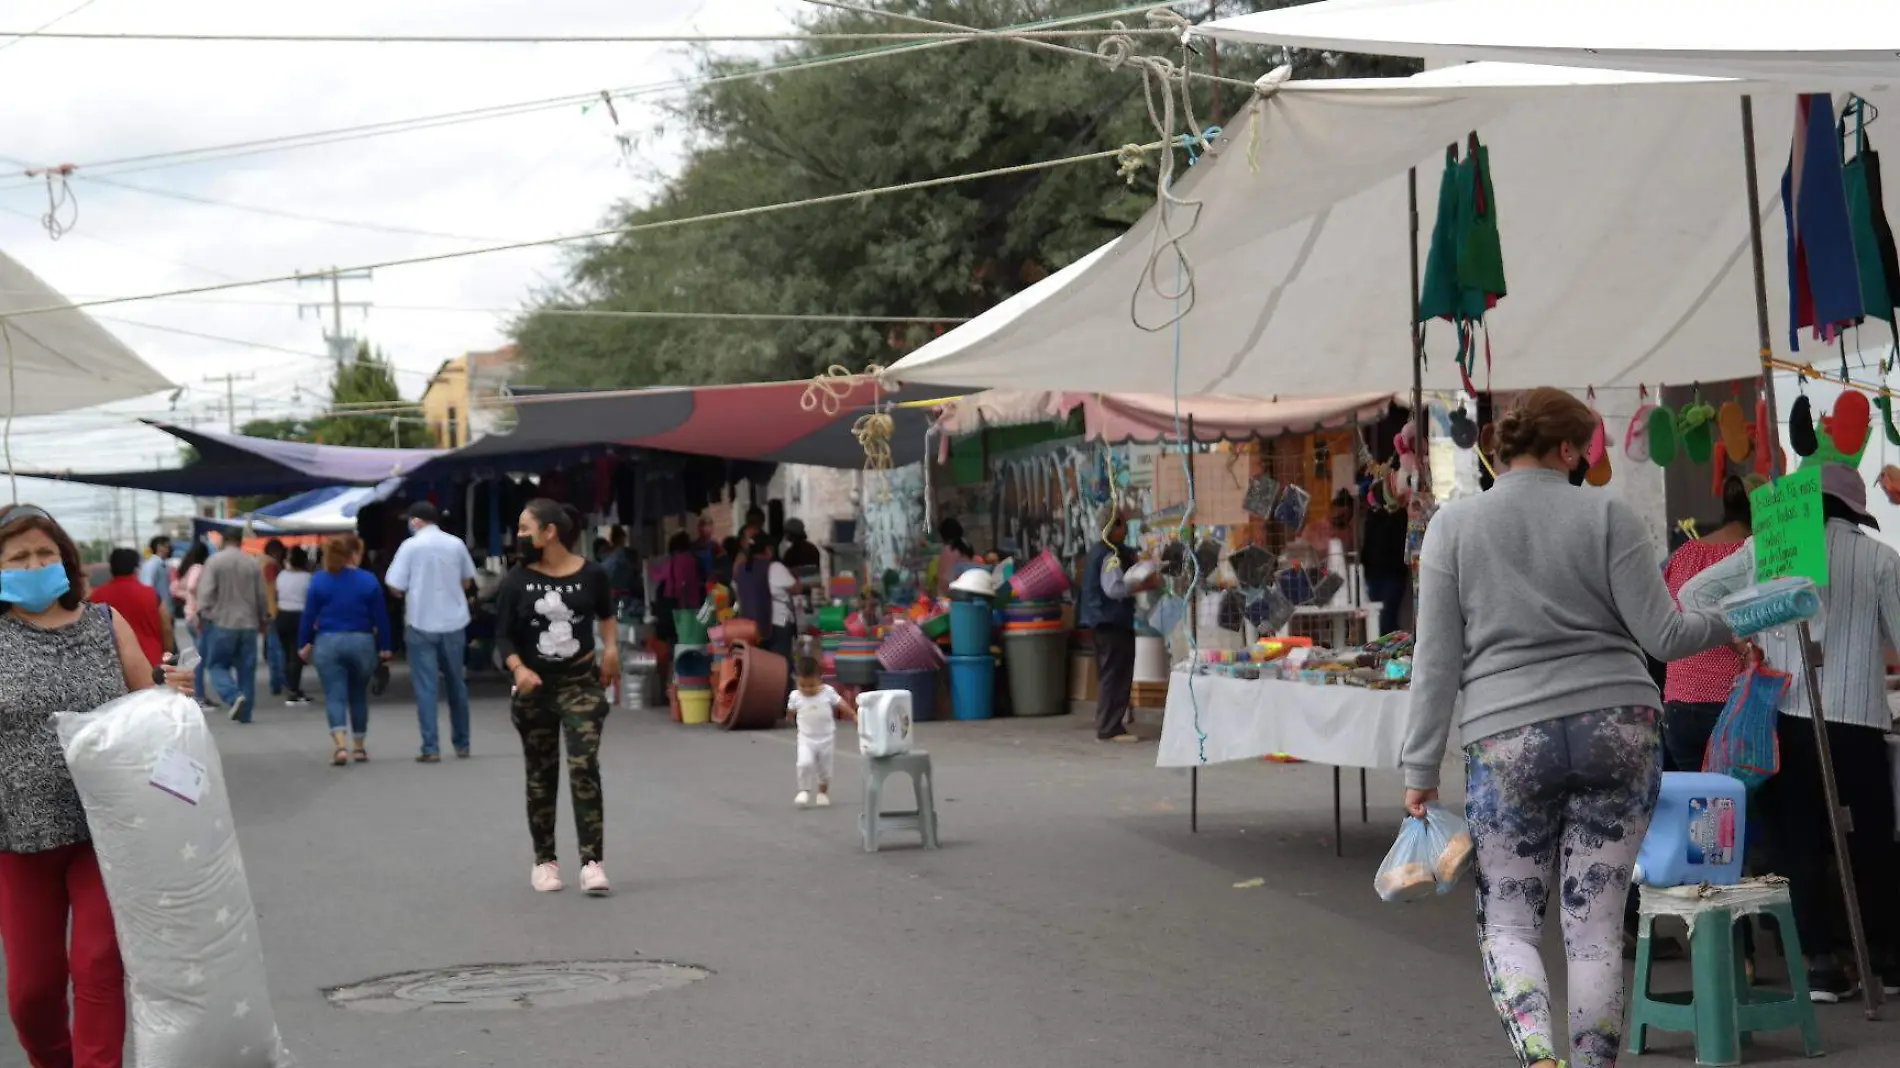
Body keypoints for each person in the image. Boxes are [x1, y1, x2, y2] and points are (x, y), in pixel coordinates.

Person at [1403, 387, 1732, 1068]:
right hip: (1621, 727)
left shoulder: (1454, 529)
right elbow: (1666, 635)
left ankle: (1539, 1057)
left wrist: (1418, 770)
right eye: (1583, 447)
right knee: (1596, 927)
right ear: (1563, 448)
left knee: (1511, 921)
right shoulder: (1609, 514)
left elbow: (1434, 662)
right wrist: (1739, 615)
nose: (1586, 461)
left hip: (1508, 738)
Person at [1682, 463, 1900, 1001]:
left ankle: (1820, 963)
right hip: (1860, 719)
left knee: (1798, 839)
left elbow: (1694, 593)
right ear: (1852, 511)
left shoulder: (1769, 548)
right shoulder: (1880, 558)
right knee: (1872, 840)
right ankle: (1888, 960)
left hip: (1790, 715)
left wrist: (1746, 630)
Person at [0, 503, 192, 1068]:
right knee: (31, 993)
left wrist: (172, 690)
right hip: (19, 838)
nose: (34, 564)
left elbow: (148, 702)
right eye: (18, 557)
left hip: (107, 829)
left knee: (97, 966)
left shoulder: (104, 623)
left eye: (44, 553)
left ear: (65, 558)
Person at [496, 499, 619, 896]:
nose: (519, 536)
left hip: (581, 682)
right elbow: (502, 635)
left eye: (525, 528)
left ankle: (592, 863)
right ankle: (545, 862)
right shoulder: (516, 580)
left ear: (549, 533)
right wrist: (519, 668)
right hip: (535, 688)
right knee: (541, 773)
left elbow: (605, 612)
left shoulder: (592, 574)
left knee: (584, 766)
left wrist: (611, 648)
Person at [1658, 474, 1759, 770]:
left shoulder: (1684, 554)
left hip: (1678, 703)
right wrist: (1744, 649)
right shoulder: (1751, 556)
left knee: (1699, 810)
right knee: (1737, 808)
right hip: (1730, 703)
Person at [385, 501, 478, 763]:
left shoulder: (410, 547)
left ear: (416, 521)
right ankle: (462, 743)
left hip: (420, 621)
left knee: (426, 687)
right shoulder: (456, 544)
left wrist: (415, 590)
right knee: (456, 684)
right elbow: (468, 580)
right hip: (454, 622)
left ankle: (431, 746)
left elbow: (395, 585)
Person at [299, 534, 394, 766]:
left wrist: (304, 643)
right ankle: (359, 747)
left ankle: (340, 746)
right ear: (353, 555)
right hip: (361, 642)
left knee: (335, 695)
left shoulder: (319, 580)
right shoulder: (368, 580)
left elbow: (309, 615)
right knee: (358, 695)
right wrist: (386, 646)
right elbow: (381, 617)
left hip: (328, 642)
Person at [1079, 506, 1159, 743]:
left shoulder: (1104, 551)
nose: (1126, 530)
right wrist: (1142, 586)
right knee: (1115, 674)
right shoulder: (1109, 555)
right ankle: (1109, 728)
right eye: (1122, 524)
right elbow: (1114, 589)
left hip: (1102, 621)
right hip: (1111, 621)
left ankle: (1110, 724)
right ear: (1112, 527)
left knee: (1110, 674)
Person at [196, 532, 271, 723]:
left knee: (216, 665)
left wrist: (204, 614)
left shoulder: (214, 561)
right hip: (249, 623)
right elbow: (261, 595)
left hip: (223, 622)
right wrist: (263, 618)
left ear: (223, 542)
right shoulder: (252, 563)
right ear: (240, 543)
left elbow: (205, 594)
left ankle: (232, 695)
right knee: (246, 669)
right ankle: (245, 713)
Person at [787, 638, 855, 808]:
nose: (807, 690)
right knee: (804, 762)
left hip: (826, 738)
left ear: (820, 680)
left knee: (825, 769)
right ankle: (804, 790)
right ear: (797, 681)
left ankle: (823, 792)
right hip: (806, 738)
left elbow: (841, 703)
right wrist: (789, 717)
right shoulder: (796, 696)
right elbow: (791, 710)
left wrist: (854, 715)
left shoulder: (827, 692)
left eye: (811, 686)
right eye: (803, 685)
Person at [88, 547, 173, 667]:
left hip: (112, 664)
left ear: (111, 568)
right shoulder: (152, 594)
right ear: (136, 567)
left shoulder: (96, 596)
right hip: (151, 662)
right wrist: (167, 653)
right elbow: (166, 628)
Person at [736, 535, 799, 659]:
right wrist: (795, 575)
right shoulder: (775, 568)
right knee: (780, 667)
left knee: (760, 669)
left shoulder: (742, 569)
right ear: (768, 549)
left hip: (750, 627)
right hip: (777, 625)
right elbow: (797, 588)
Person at [275, 547, 313, 705]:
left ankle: (289, 684)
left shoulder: (281, 576)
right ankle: (293, 690)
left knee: (286, 653)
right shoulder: (308, 578)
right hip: (301, 617)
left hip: (282, 615)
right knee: (297, 655)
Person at [176, 539, 211, 703]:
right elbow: (191, 587)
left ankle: (197, 693)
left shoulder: (189, 568)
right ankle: (198, 695)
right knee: (200, 659)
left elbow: (176, 588)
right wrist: (197, 598)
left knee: (197, 656)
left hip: (190, 615)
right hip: (197, 617)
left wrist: (188, 598)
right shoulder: (199, 568)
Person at [261, 539, 288, 698]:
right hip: (273, 611)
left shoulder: (260, 563)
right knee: (278, 648)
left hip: (264, 610)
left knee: (272, 649)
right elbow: (271, 588)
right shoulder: (271, 565)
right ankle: (280, 681)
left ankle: (275, 683)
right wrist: (274, 610)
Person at [934, 517, 974, 596]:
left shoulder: (949, 550)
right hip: (967, 593)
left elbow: (944, 580)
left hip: (951, 597)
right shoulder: (967, 547)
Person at [137, 534, 173, 618]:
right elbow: (147, 587)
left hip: (163, 610)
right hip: (158, 612)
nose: (169, 549)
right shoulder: (152, 565)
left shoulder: (160, 564)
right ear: (159, 547)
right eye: (167, 546)